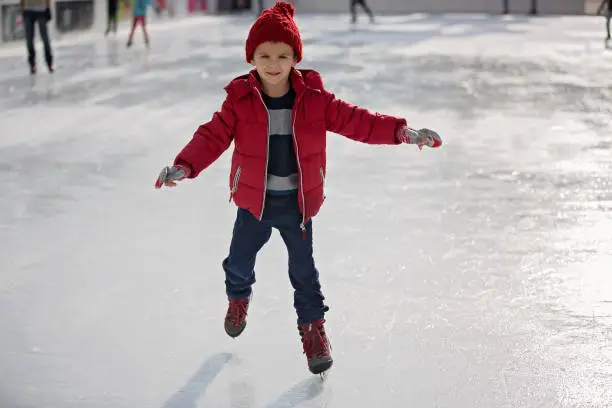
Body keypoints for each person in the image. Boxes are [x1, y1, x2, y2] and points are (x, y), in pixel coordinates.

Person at [154, 1, 442, 375]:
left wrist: (403, 132)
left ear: (295, 58)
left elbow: (359, 121)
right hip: (253, 204)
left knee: (304, 274)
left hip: (297, 206)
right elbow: (211, 137)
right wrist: (184, 165)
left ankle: (314, 332)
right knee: (238, 265)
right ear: (251, 58)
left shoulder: (316, 101)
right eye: (264, 55)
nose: (273, 64)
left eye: (283, 55)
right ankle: (238, 298)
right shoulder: (239, 101)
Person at [20, 0, 53, 74]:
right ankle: (32, 63)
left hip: (41, 10)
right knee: (30, 40)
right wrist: (22, 9)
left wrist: (48, 8)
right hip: (28, 10)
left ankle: (49, 62)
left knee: (44, 38)